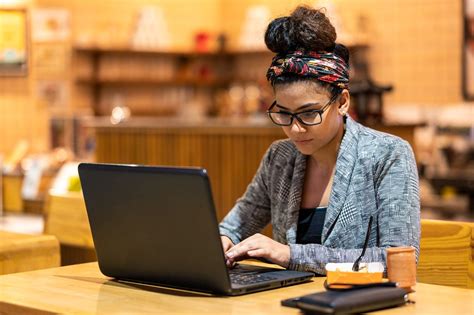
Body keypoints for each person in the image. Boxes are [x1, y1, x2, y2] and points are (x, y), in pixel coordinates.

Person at [219, 5, 420, 274]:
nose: (296, 129)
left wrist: (291, 255)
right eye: (284, 114)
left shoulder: (387, 154)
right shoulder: (280, 157)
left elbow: (400, 261)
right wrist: (223, 241)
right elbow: (235, 225)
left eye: (309, 113)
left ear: (343, 102)